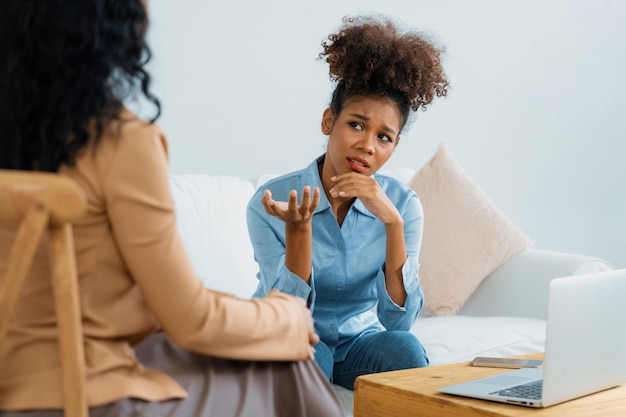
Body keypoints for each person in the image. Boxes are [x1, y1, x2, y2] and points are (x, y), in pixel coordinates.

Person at [0, 1, 344, 416]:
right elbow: (191, 319)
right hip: (85, 395)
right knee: (289, 359)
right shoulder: (120, 142)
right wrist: (286, 317)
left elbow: (150, 305)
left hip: (14, 387)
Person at [247, 15, 449, 390]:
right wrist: (300, 232)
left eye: (384, 137)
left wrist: (393, 225)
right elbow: (287, 316)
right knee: (308, 356)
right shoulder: (271, 203)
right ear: (329, 121)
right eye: (356, 125)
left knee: (405, 350)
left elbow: (398, 324)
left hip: (361, 342)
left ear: (395, 145)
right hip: (293, 337)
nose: (367, 145)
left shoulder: (403, 205)